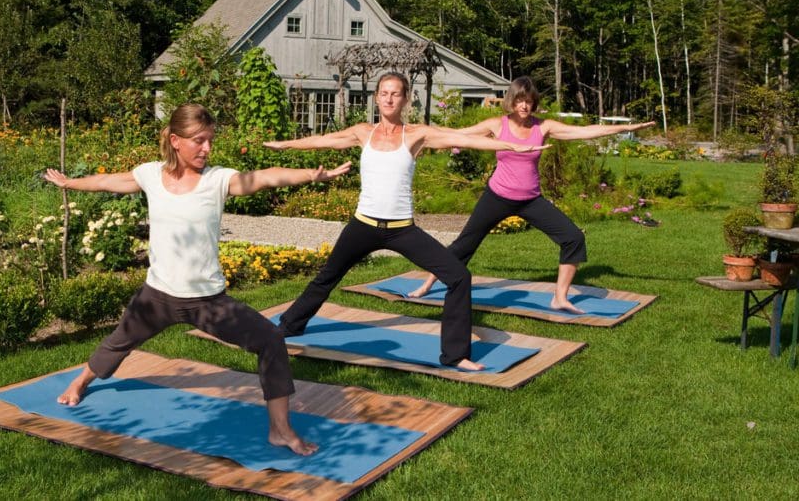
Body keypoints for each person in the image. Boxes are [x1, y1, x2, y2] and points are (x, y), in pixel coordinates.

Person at [43, 102, 351, 456]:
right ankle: (81, 380)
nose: (207, 149)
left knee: (271, 341)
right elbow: (111, 181)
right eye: (199, 141)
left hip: (208, 302)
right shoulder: (149, 174)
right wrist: (71, 183)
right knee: (119, 342)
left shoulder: (217, 180)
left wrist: (310, 175)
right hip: (157, 296)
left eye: (210, 141)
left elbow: (263, 176)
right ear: (175, 140)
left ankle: (280, 430)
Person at [263, 72, 547, 370]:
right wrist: (286, 145)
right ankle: (289, 326)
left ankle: (455, 355)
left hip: (401, 230)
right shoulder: (363, 132)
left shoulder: (416, 134)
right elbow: (324, 140)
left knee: (459, 277)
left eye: (395, 93)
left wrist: (513, 146)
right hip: (363, 225)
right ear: (376, 97)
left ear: (405, 99)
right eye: (384, 93)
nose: (388, 98)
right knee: (326, 278)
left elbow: (463, 139)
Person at [409, 76, 656, 312]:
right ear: (511, 101)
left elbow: (587, 132)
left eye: (528, 100)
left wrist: (628, 127)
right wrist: (418, 138)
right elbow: (458, 135)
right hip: (497, 197)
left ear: (533, 101)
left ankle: (560, 298)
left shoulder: (543, 126)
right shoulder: (497, 124)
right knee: (465, 244)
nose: (524, 105)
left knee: (573, 238)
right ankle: (427, 284)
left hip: (530, 199)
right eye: (519, 100)